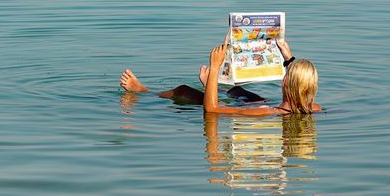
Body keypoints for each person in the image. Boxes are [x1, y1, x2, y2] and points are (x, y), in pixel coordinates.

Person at [119, 38, 321, 115]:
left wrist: (215, 67)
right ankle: (212, 86)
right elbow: (301, 85)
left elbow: (212, 110)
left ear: (286, 82)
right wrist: (288, 58)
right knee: (238, 90)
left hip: (240, 112)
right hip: (263, 104)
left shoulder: (265, 112)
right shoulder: (313, 108)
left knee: (183, 90)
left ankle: (143, 91)